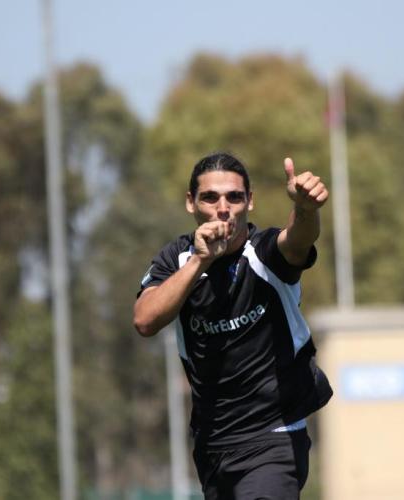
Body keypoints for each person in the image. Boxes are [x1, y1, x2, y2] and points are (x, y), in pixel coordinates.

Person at [134, 152, 333, 500]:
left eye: (234, 197)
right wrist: (200, 261)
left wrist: (305, 209)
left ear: (249, 201)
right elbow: (145, 320)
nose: (223, 208)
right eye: (210, 197)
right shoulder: (178, 260)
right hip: (213, 444)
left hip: (274, 436)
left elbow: (298, 240)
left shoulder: (265, 254)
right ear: (191, 203)